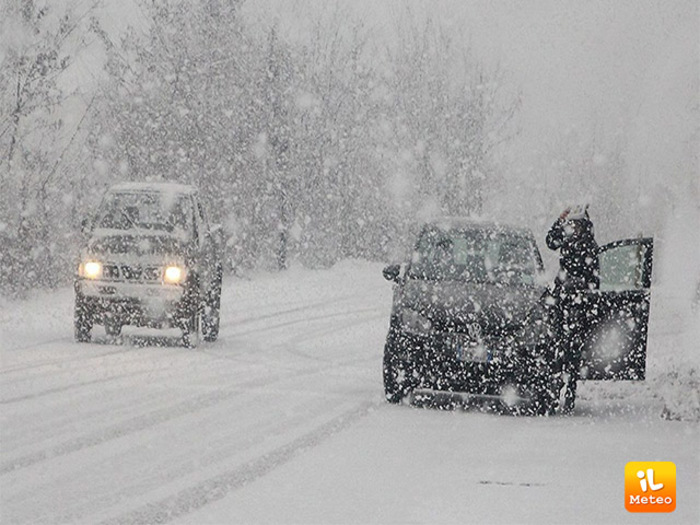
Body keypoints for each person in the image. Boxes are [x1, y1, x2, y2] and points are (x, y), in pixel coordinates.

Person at [545, 204, 599, 413]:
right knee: (558, 347)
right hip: (563, 302)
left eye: (576, 224)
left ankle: (569, 392)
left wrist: (584, 296)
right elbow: (550, 241)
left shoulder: (589, 246)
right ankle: (556, 390)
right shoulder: (567, 242)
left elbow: (594, 279)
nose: (573, 228)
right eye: (571, 224)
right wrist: (559, 221)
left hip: (577, 305)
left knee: (572, 351)